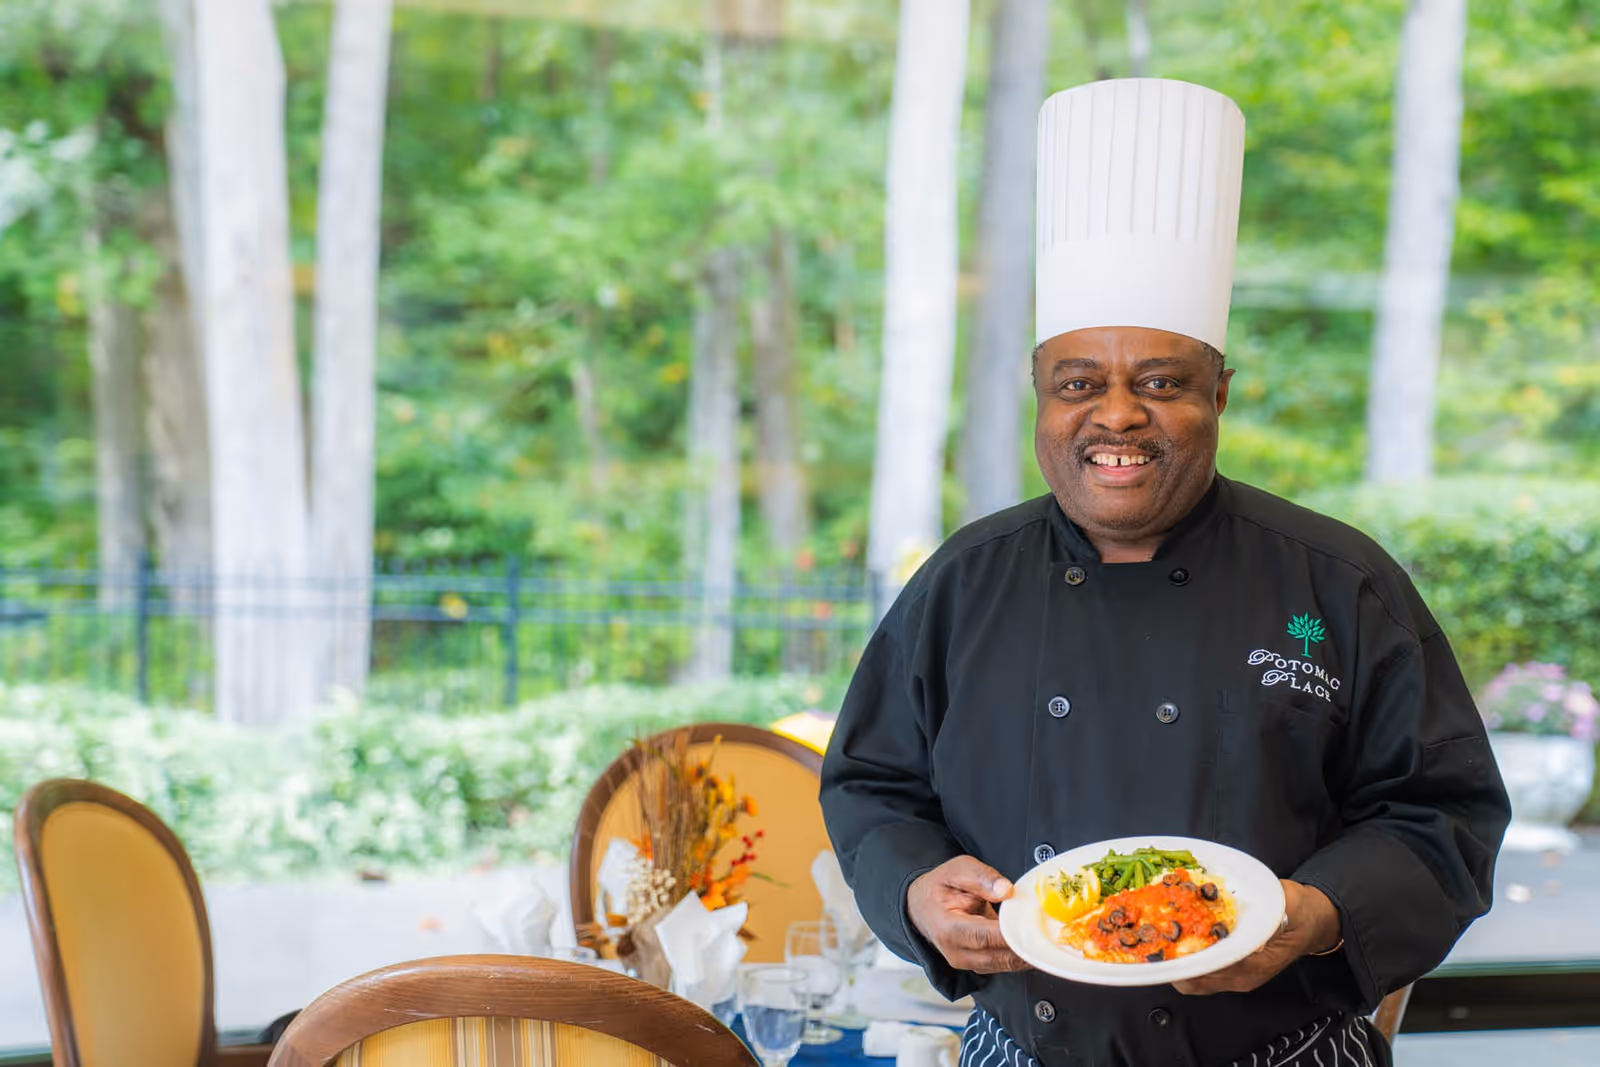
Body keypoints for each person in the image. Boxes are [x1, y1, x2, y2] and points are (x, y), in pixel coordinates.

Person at [819, 78, 1509, 1067]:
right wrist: (915, 886)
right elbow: (872, 782)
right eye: (1078, 384)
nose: (1117, 415)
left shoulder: (1336, 581)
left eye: (1159, 381)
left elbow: (1443, 811)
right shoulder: (965, 581)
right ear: (1039, 399)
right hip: (1021, 1050)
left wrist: (1315, 912)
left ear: (1217, 392)